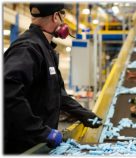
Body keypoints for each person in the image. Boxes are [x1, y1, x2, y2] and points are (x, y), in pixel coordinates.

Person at [4, 3, 102, 154]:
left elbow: (58, 94)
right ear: (56, 16)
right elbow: (7, 93)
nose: (64, 21)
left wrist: (84, 114)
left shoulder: (46, 49)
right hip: (23, 148)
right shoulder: (28, 48)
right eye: (63, 15)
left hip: (39, 144)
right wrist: (42, 132)